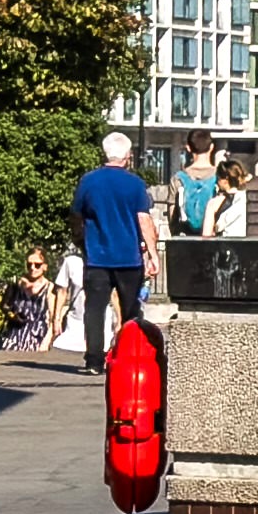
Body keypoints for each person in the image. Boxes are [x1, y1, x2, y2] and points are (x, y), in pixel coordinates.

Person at [71, 134, 157, 365]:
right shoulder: (135, 184)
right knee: (130, 310)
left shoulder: (88, 181)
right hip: (129, 258)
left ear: (105, 153)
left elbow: (76, 215)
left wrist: (81, 243)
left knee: (95, 308)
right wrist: (153, 254)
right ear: (128, 156)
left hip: (97, 256)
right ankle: (128, 356)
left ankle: (94, 359)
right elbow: (144, 219)